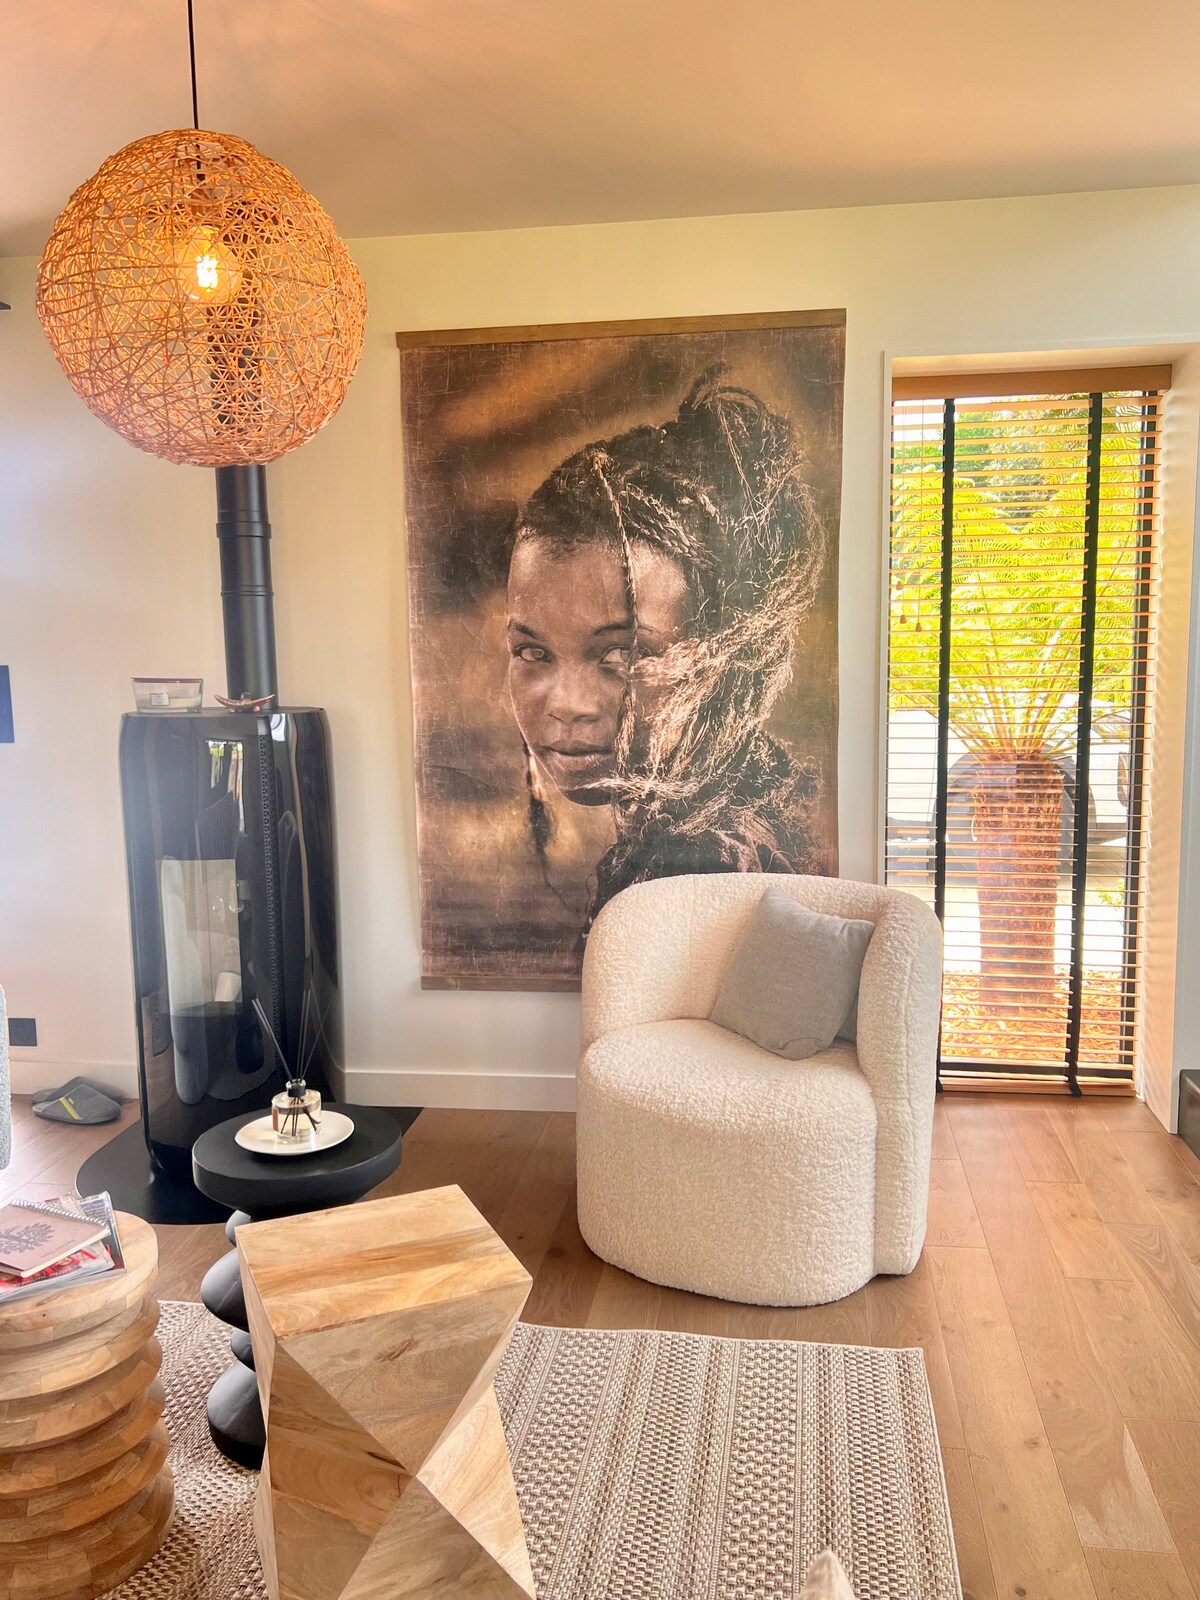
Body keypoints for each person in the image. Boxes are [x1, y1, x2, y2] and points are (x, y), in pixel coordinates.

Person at [504, 365, 828, 930]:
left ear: (727, 656)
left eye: (623, 655)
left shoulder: (702, 866)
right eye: (533, 652)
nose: (568, 704)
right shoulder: (730, 821)